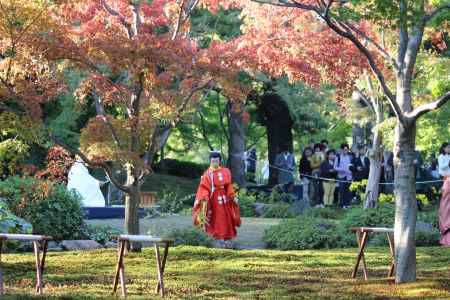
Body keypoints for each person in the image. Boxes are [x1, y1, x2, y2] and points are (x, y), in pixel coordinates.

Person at [192, 151, 241, 246]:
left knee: (226, 216)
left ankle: (226, 235)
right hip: (213, 199)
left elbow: (228, 186)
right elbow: (203, 187)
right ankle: (218, 235)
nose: (215, 163)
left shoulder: (226, 171)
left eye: (216, 161)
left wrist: (232, 196)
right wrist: (204, 197)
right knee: (217, 217)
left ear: (220, 161)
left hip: (224, 198)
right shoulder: (207, 174)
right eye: (213, 161)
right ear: (210, 161)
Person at [334, 143, 353, 208]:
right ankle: (342, 205)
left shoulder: (350, 157)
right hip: (341, 176)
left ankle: (347, 204)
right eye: (344, 150)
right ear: (341, 150)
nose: (346, 151)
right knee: (342, 190)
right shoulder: (338, 157)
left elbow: (352, 165)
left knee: (348, 190)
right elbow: (335, 167)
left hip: (349, 176)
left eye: (347, 150)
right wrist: (341, 169)